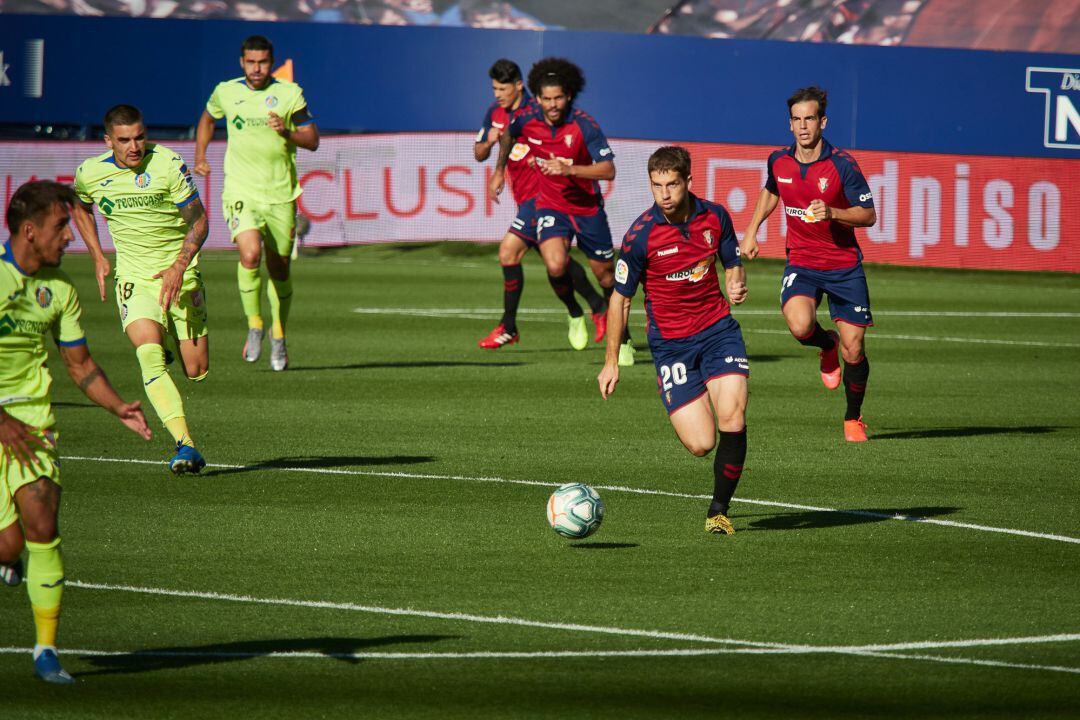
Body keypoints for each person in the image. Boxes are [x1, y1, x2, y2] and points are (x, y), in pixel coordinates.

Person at [0, 181, 151, 684]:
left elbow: (79, 365)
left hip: (33, 422)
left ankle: (45, 650)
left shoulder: (60, 289)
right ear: (28, 231)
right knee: (5, 546)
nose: (70, 236)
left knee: (42, 525)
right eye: (60, 226)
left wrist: (118, 407)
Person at [598, 147, 749, 534]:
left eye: (672, 185)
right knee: (701, 444)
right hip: (671, 347)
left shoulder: (715, 217)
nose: (664, 194)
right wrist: (611, 361)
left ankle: (718, 510)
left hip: (718, 332)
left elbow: (732, 259)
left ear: (688, 182)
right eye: (657, 185)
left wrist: (735, 278)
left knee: (732, 414)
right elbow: (620, 299)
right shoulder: (639, 236)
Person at [72, 104, 210, 473]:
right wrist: (98, 256)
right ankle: (186, 445)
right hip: (133, 278)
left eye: (139, 137)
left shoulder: (167, 164)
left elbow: (199, 223)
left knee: (196, 370)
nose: (134, 146)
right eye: (124, 140)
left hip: (180, 274)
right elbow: (79, 206)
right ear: (108, 141)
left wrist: (180, 266)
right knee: (147, 355)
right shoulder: (90, 173)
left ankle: (170, 341)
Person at [740, 86, 876, 442]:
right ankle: (824, 346)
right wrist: (752, 230)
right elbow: (771, 191)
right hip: (802, 261)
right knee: (801, 326)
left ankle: (852, 418)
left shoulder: (842, 164)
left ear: (823, 122)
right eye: (797, 120)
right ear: (790, 124)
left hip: (844, 265)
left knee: (855, 348)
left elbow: (869, 214)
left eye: (810, 119)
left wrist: (833, 212)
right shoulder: (779, 161)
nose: (803, 126)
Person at [194, 34, 320, 371]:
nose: (256, 68)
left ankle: (279, 335)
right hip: (241, 191)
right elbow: (207, 119)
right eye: (250, 62)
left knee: (279, 268)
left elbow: (313, 140)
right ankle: (255, 326)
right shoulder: (226, 91)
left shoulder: (289, 94)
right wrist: (201, 155)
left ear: (271, 62)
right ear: (241, 62)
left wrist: (287, 133)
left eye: (262, 62)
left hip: (280, 195)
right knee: (249, 255)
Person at [497, 57, 634, 364]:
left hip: (587, 209)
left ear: (569, 95)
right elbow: (508, 135)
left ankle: (623, 338)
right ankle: (575, 313)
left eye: (558, 97)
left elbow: (608, 170)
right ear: (537, 98)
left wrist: (569, 170)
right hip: (551, 205)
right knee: (556, 264)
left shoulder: (584, 124)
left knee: (606, 278)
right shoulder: (526, 118)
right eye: (546, 98)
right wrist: (498, 170)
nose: (553, 104)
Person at [476, 59, 607, 350]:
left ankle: (509, 326)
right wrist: (494, 159)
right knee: (557, 262)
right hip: (524, 198)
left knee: (509, 252)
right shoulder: (495, 113)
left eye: (503, 88)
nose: (498, 94)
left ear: (520, 86)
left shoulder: (537, 111)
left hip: (544, 198)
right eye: (494, 88)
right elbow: (479, 152)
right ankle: (592, 307)